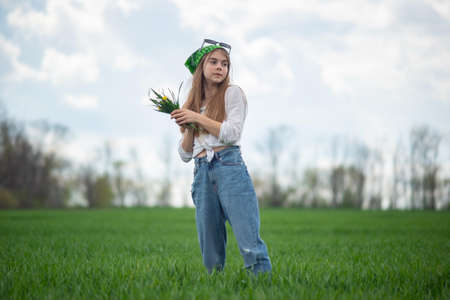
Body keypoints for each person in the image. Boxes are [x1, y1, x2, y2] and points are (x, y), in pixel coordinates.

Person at [170, 39, 272, 275]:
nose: (220, 68)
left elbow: (231, 133)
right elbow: (185, 154)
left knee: (248, 240)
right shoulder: (193, 105)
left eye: (224, 64)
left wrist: (197, 118)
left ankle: (264, 287)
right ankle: (216, 288)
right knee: (210, 246)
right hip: (201, 172)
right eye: (213, 62)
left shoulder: (232, 93)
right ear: (200, 68)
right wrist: (189, 126)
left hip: (229, 167)